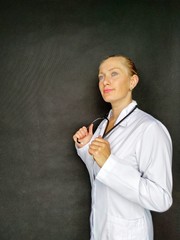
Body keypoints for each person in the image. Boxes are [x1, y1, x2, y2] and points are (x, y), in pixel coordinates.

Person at [73, 55, 173, 240]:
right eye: (101, 76)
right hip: (99, 230)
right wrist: (86, 147)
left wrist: (110, 163)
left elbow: (161, 199)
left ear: (132, 81)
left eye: (114, 73)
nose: (105, 81)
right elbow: (99, 174)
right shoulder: (102, 127)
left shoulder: (149, 129)